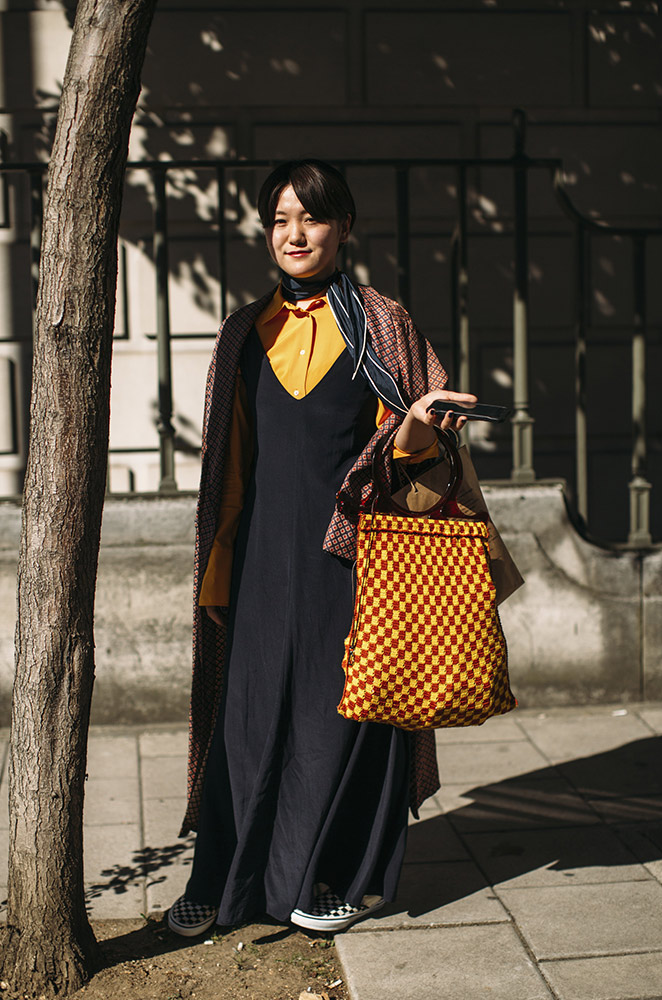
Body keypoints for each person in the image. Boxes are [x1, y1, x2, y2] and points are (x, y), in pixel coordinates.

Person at [167, 160, 476, 937]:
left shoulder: (383, 322)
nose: (293, 234)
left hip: (354, 553)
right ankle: (224, 880)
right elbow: (227, 462)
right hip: (263, 553)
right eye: (278, 220)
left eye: (310, 217)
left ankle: (336, 877)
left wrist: (421, 423)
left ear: (342, 227)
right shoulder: (243, 329)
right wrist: (218, 565)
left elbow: (411, 458)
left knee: (345, 714)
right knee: (245, 716)